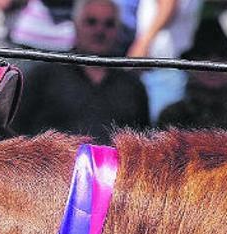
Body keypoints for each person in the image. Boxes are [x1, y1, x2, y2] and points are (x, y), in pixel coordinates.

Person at [10, 0, 149, 143]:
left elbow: (143, 145)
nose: (100, 31)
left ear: (118, 31)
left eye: (109, 24)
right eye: (91, 22)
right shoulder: (44, 77)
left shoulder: (133, 88)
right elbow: (17, 134)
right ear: (76, 25)